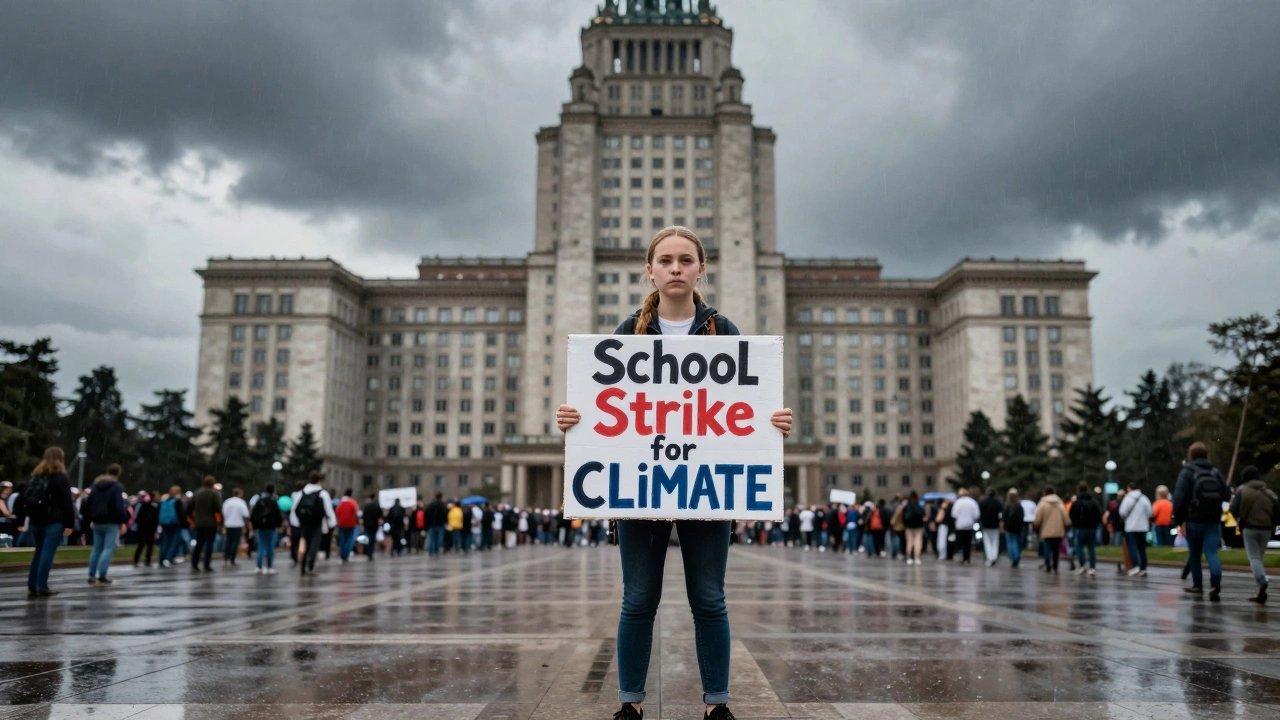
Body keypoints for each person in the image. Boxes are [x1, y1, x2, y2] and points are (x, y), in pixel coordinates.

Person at [555, 225, 792, 720]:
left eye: (686, 260)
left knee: (709, 599)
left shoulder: (722, 332)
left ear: (701, 269)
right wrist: (575, 420)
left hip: (707, 490)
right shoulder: (629, 333)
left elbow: (744, 406)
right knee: (639, 599)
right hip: (643, 488)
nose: (676, 268)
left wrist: (773, 423)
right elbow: (605, 407)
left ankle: (717, 704)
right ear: (651, 269)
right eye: (666, 260)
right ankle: (630, 702)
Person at [1172, 442, 1229, 601]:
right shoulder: (1215, 471)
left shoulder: (1187, 472)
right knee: (1211, 551)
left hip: (1194, 519)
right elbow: (1226, 494)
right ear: (1206, 454)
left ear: (1191, 455)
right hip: (1213, 519)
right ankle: (1216, 580)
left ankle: (1198, 585)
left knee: (1195, 553)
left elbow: (1179, 497)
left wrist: (1179, 519)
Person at [17, 447, 76, 597]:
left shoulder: (36, 476)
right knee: (47, 553)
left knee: (39, 552)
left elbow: (22, 499)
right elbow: (67, 503)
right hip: (54, 520)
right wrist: (70, 523)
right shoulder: (61, 478)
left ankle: (32, 584)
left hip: (36, 520)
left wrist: (21, 519)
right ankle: (42, 586)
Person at [1230, 466, 1276, 604]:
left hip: (1250, 528)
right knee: (1259, 558)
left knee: (1254, 557)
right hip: (1267, 529)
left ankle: (1262, 582)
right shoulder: (1270, 493)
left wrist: (1241, 519)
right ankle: (1260, 592)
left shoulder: (1242, 492)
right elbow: (1277, 511)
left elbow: (1233, 510)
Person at [82, 463, 130, 585]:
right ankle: (102, 574)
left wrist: (90, 518)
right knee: (108, 548)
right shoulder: (116, 487)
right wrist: (123, 521)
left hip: (97, 520)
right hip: (111, 521)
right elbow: (119, 506)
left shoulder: (96, 485)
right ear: (118, 473)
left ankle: (91, 574)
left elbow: (88, 503)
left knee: (97, 548)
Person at [291, 471, 336, 575]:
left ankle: (303, 563)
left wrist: (296, 521)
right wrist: (332, 523)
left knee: (305, 541)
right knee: (315, 543)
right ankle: (310, 564)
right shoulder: (322, 493)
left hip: (304, 521)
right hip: (317, 521)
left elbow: (295, 508)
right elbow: (328, 509)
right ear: (319, 481)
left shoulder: (302, 492)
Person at [1119, 482, 1153, 577]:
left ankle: (1135, 566)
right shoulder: (1144, 498)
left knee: (1132, 547)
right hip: (1143, 527)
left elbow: (1122, 512)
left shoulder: (1128, 498)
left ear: (1129, 488)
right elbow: (1150, 512)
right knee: (1142, 547)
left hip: (1131, 526)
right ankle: (1143, 567)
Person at [1033, 486, 1070, 574]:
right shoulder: (1059, 503)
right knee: (1056, 549)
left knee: (1047, 547)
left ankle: (1047, 563)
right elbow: (1066, 517)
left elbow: (1038, 518)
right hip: (1059, 531)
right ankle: (1055, 565)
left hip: (1046, 530)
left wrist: (1036, 525)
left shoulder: (1042, 504)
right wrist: (1067, 525)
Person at [190, 476, 223, 573]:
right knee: (210, 544)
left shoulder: (197, 492)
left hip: (199, 522)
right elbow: (218, 507)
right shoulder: (214, 493)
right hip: (211, 522)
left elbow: (190, 506)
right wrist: (220, 522)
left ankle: (194, 563)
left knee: (199, 543)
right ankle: (206, 564)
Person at [1068, 482, 1102, 576]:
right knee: (1091, 548)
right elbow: (1099, 515)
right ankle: (1092, 567)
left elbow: (1071, 515)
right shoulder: (1093, 503)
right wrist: (1095, 525)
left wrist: (1076, 524)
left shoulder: (1077, 503)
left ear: (1078, 490)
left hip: (1080, 528)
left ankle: (1083, 564)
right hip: (1092, 528)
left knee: (1079, 546)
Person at [249, 483, 284, 574]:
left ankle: (259, 567)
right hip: (271, 527)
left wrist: (255, 526)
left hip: (261, 527)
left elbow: (253, 515)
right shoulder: (273, 500)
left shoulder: (259, 500)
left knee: (261, 547)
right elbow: (278, 515)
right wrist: (279, 525)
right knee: (270, 548)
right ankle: (269, 567)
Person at [157, 486, 188, 567]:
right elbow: (182, 514)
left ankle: (161, 558)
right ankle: (168, 558)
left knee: (165, 541)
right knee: (174, 542)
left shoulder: (165, 500)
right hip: (175, 524)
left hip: (165, 523)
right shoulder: (177, 501)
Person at [221, 488, 250, 566]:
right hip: (237, 524)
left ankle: (226, 558)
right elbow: (246, 514)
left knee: (228, 542)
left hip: (228, 524)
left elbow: (223, 513)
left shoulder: (227, 502)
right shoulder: (241, 502)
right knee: (235, 542)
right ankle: (232, 559)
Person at [950, 489, 980, 565]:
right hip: (969, 525)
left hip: (960, 525)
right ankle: (967, 557)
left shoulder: (958, 502)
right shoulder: (972, 502)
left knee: (961, 542)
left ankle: (963, 557)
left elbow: (954, 514)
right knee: (968, 542)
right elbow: (976, 514)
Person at [133, 491, 160, 567]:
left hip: (142, 529)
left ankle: (136, 560)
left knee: (141, 545)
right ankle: (147, 560)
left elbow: (138, 519)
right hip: (150, 529)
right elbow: (155, 520)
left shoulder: (143, 506)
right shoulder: (154, 507)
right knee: (149, 546)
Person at [978, 487, 1003, 567]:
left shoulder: (983, 502)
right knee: (995, 542)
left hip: (986, 525)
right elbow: (1001, 514)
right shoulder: (998, 503)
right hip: (995, 525)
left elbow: (980, 514)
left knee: (987, 542)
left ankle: (989, 558)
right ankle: (994, 557)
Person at [335, 489, 361, 562]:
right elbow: (357, 513)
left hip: (341, 523)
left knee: (342, 540)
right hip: (351, 523)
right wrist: (357, 521)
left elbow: (337, 512)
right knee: (349, 540)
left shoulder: (340, 503)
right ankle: (346, 555)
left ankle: (342, 554)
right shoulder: (353, 502)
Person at [1001, 490, 1024, 568]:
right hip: (1018, 528)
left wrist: (1003, 526)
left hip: (1009, 527)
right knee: (1016, 542)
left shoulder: (1008, 506)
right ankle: (1016, 556)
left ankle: (1014, 557)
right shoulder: (1019, 506)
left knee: (1011, 543)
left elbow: (1004, 517)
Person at [902, 491, 925, 565]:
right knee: (918, 542)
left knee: (909, 542)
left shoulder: (907, 507)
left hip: (909, 527)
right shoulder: (920, 506)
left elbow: (903, 517)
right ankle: (917, 558)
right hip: (918, 527)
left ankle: (909, 558)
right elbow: (923, 515)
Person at [361, 494, 383, 561]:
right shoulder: (377, 506)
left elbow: (363, 516)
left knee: (367, 539)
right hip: (374, 525)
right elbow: (380, 516)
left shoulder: (366, 506)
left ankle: (367, 552)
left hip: (367, 525)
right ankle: (370, 553)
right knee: (372, 540)